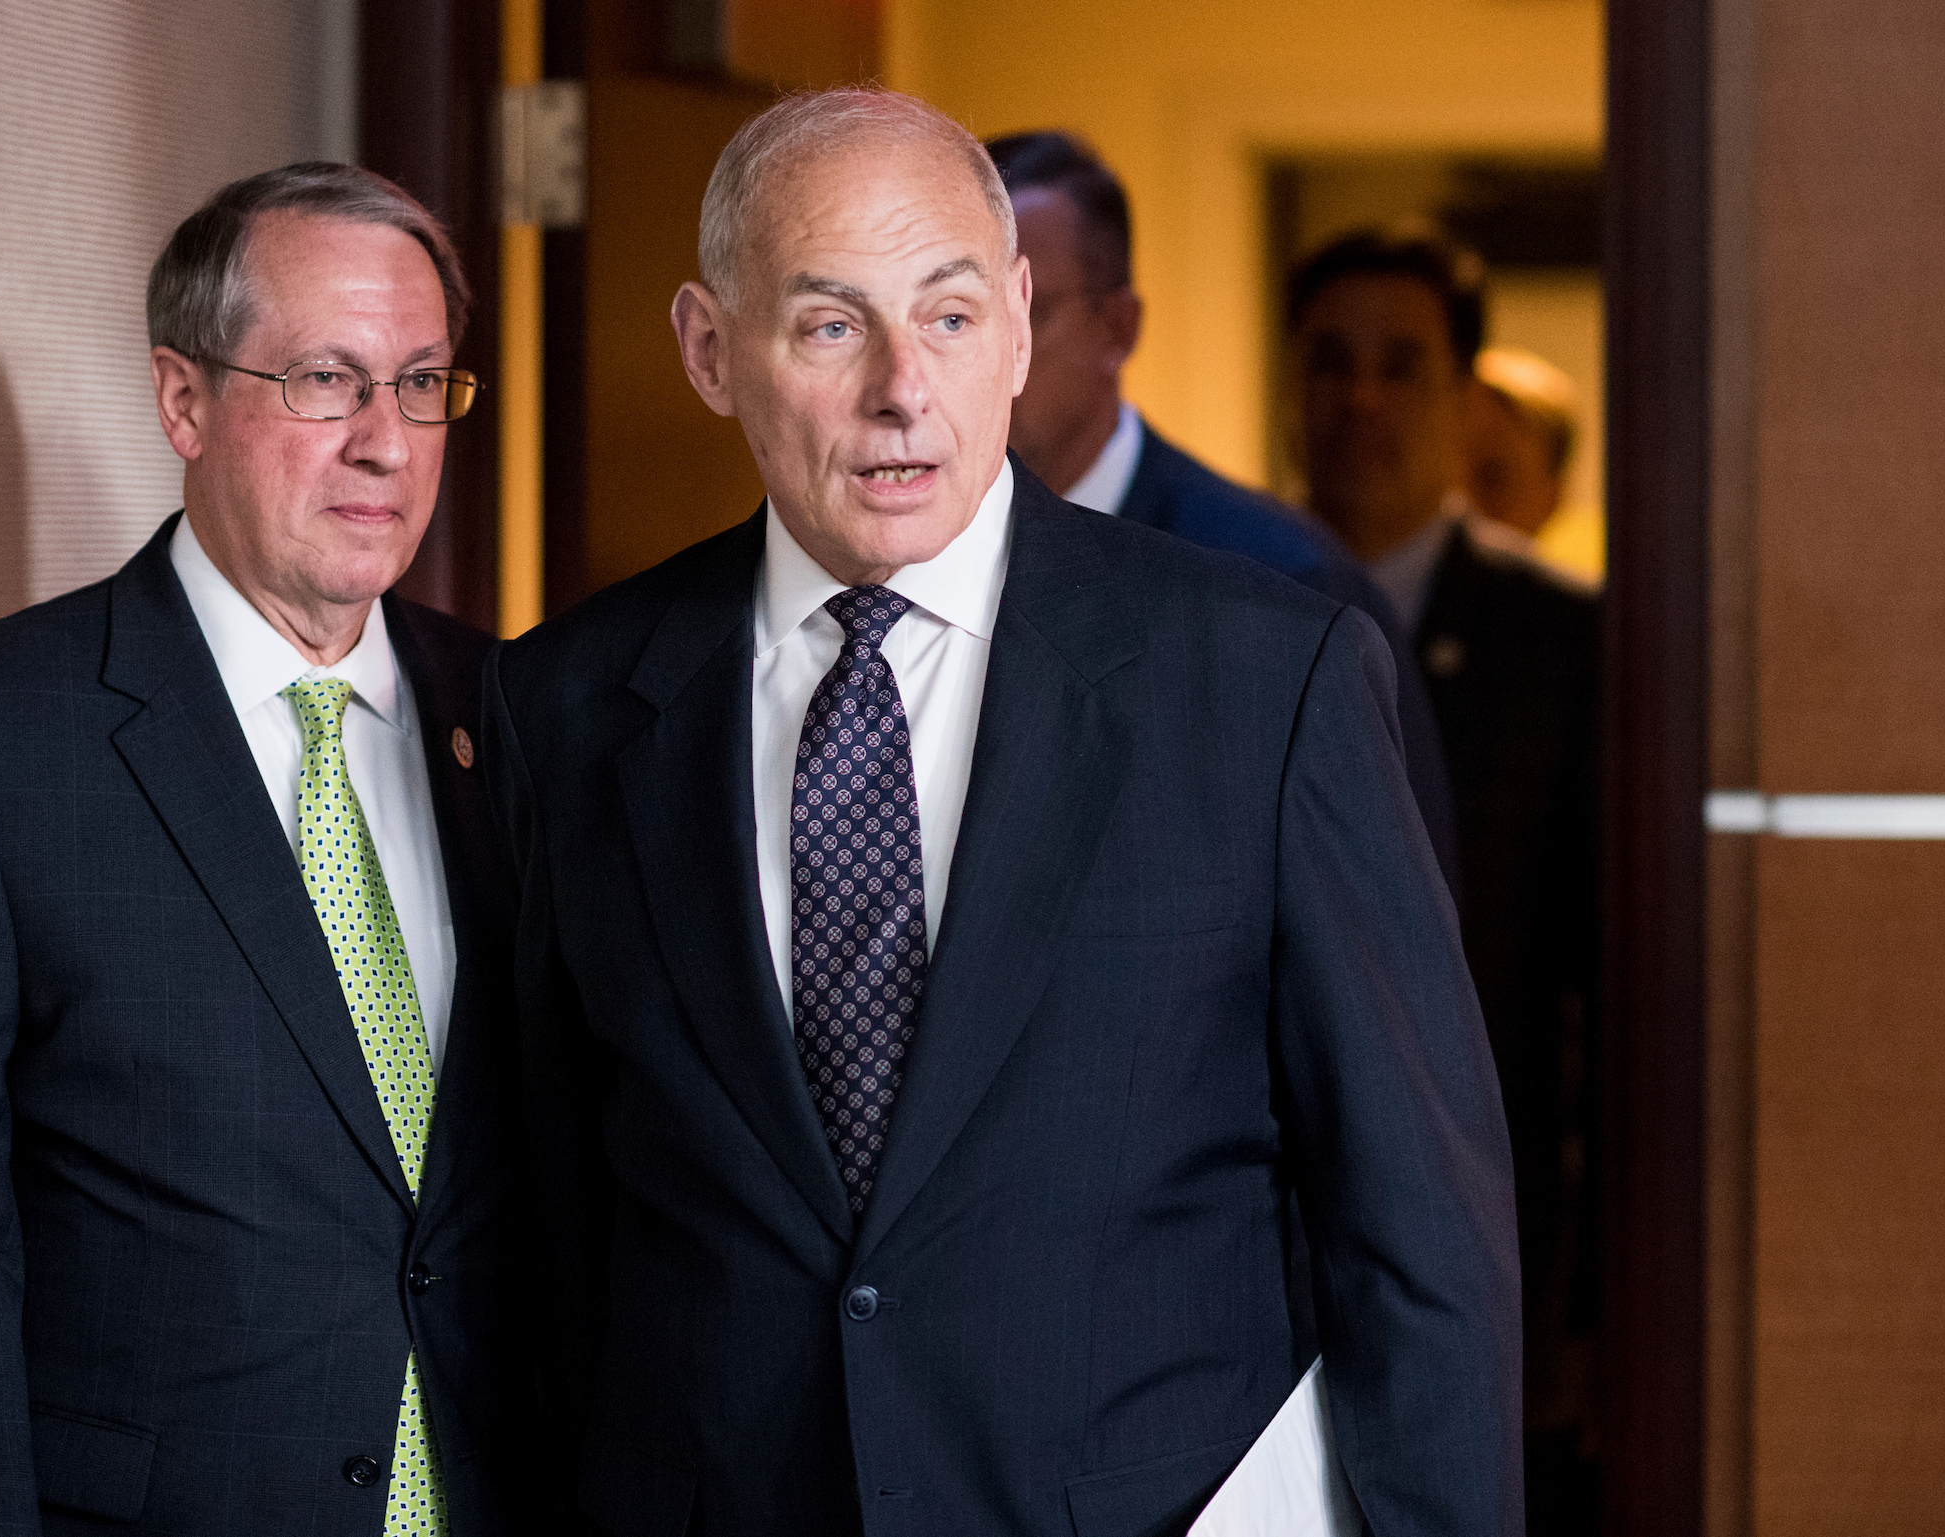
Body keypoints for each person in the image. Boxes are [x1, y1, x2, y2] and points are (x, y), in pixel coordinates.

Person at [485, 88, 1520, 1537]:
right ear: (711, 351)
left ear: (1024, 323)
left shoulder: (1264, 683)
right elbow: (549, 1240)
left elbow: (1418, 1236)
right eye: (833, 325)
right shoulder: (568, 712)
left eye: (952, 317)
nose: (904, 389)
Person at [0, 163, 534, 1534]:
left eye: (422, 383)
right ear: (184, 399)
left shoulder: (522, 721)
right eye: (326, 378)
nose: (386, 440)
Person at [1288, 223, 1601, 1530]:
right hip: (1258, 1235)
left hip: (1489, 1227)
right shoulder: (1207, 598)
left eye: (1402, 364)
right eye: (1331, 361)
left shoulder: (1566, 640)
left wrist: (1579, 1304)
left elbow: (1596, 984)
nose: (1362, 398)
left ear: (1463, 394)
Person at [987, 129, 1459, 891]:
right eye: (948, 314)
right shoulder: (906, 555)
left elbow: (1381, 938)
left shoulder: (1276, 582)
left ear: (1118, 329)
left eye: (1019, 314)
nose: (971, 356)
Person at [1467, 345, 1602, 586]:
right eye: (1442, 472)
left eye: (1492, 477)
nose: (1459, 499)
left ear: (1551, 499)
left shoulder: (1575, 616)